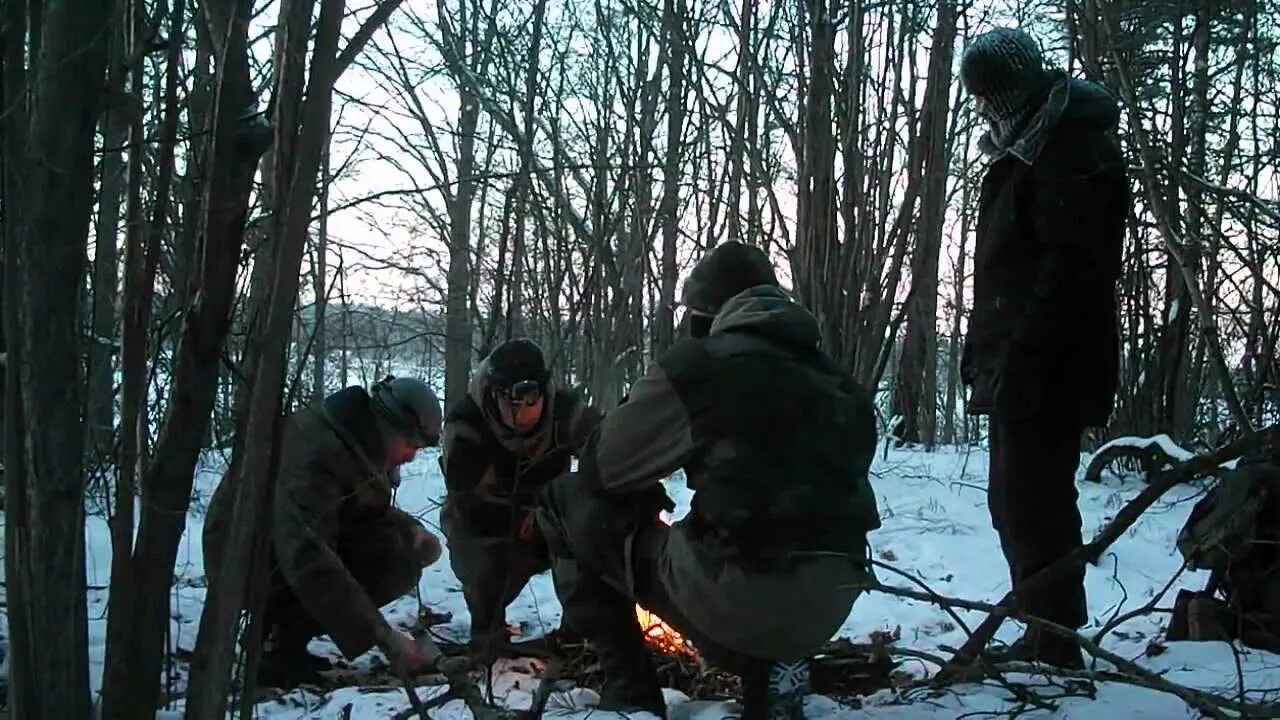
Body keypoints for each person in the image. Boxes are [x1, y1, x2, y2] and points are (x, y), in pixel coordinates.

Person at [536, 241, 881, 720]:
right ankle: (776, 677)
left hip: (739, 596)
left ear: (705, 314)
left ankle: (631, 693)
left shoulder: (701, 366)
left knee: (564, 498)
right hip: (830, 603)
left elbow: (603, 466)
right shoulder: (844, 386)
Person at [957, 27, 1129, 668]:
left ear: (1013, 92)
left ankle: (1055, 638)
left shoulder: (1071, 151)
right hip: (1020, 359)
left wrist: (1020, 356)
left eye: (988, 97)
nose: (982, 111)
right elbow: (1006, 273)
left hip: (1051, 363)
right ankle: (1043, 626)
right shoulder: (1028, 148)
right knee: (1017, 500)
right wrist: (985, 353)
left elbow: (1068, 274)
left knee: (1034, 501)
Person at [203, 375, 446, 689]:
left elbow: (359, 511)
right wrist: (385, 638)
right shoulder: (318, 453)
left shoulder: (355, 442)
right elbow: (308, 556)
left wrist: (411, 530)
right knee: (390, 560)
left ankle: (282, 634)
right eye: (410, 445)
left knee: (400, 547)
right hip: (244, 561)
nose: (412, 456)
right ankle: (278, 643)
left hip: (280, 549)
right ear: (388, 429)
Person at [438, 338, 602, 659]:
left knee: (594, 526)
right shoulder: (466, 424)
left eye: (530, 400)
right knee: (478, 553)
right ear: (494, 393)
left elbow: (608, 454)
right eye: (511, 401)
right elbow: (467, 502)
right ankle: (487, 630)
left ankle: (581, 630)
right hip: (489, 524)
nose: (521, 412)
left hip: (555, 519)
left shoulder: (568, 413)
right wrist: (522, 515)